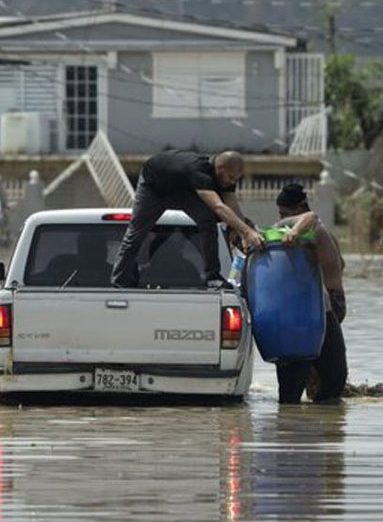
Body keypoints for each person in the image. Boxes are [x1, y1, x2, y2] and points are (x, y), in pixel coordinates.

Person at [111, 149, 263, 288]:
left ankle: (212, 276)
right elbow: (219, 207)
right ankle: (119, 280)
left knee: (208, 222)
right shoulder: (199, 172)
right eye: (231, 178)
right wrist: (247, 232)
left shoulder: (223, 176)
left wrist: (242, 231)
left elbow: (232, 206)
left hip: (184, 190)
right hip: (154, 187)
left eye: (236, 180)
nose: (232, 183)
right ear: (220, 168)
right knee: (136, 232)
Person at [271, 183, 348, 404]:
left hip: (322, 303)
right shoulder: (324, 232)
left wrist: (292, 232)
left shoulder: (309, 228)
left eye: (284, 213)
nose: (282, 219)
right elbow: (341, 264)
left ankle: (310, 402)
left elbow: (309, 218)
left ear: (298, 209)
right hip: (325, 302)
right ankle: (315, 406)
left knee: (316, 368)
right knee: (318, 369)